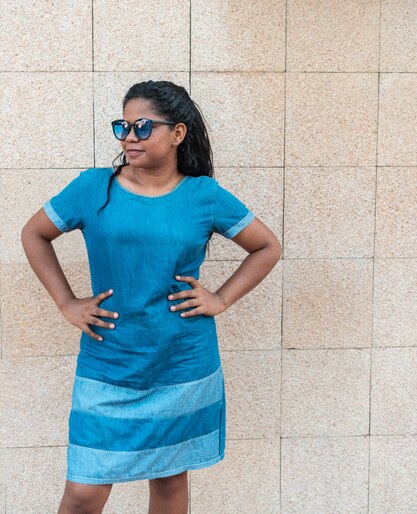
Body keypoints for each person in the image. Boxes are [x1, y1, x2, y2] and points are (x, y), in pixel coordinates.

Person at [21, 80, 281, 514]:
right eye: (122, 126)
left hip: (181, 361)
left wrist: (220, 298)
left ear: (177, 134)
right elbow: (35, 233)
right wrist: (66, 302)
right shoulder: (93, 188)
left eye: (142, 127)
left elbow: (266, 246)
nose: (128, 137)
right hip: (108, 361)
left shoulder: (204, 196)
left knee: (168, 484)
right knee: (84, 494)